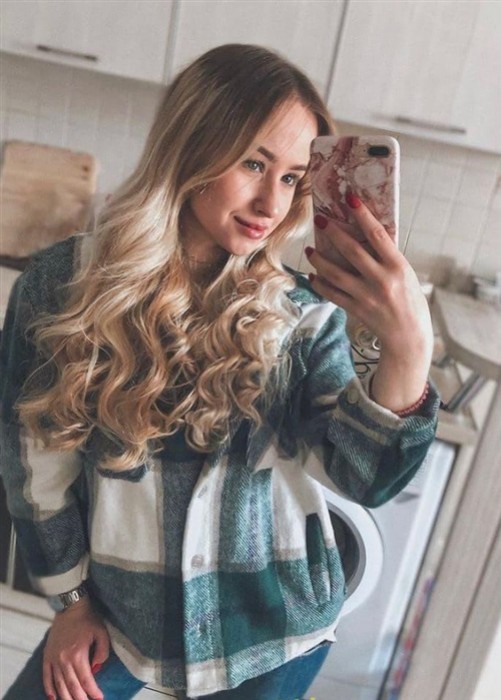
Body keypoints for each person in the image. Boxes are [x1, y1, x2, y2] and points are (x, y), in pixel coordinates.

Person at [0, 44, 438, 700]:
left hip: (271, 635)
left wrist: (406, 347)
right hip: (121, 618)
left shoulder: (301, 314)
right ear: (191, 147)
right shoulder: (61, 286)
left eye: (292, 177)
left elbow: (364, 478)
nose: (270, 202)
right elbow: (35, 466)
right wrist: (70, 601)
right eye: (253, 163)